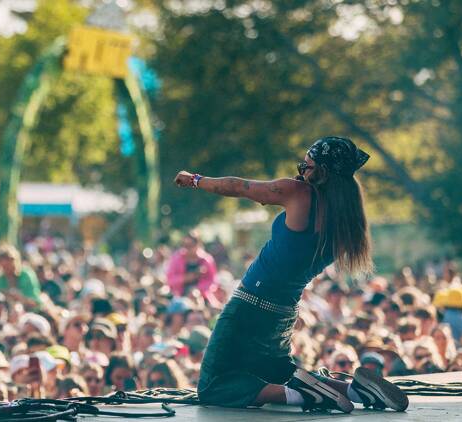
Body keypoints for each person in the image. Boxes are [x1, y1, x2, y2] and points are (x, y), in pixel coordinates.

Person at [175, 137, 408, 412]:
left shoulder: (298, 193)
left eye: (306, 166)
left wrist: (195, 179)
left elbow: (239, 187)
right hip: (283, 312)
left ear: (321, 170)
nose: (300, 172)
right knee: (279, 376)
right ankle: (357, 391)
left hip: (251, 305)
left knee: (214, 385)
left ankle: (308, 396)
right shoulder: (348, 221)